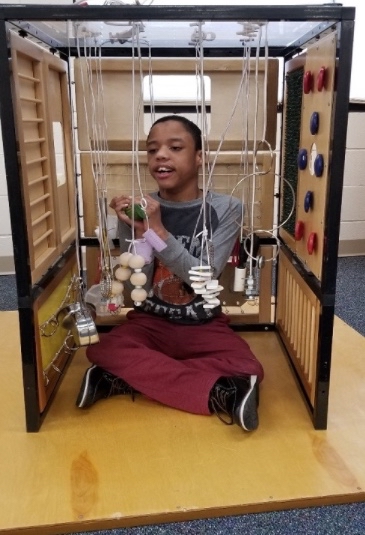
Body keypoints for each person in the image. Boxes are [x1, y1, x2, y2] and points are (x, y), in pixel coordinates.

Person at [76, 115, 264, 432]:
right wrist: (132, 226)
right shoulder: (141, 208)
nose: (161, 155)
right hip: (152, 323)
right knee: (103, 349)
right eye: (152, 150)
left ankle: (125, 379)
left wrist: (158, 229)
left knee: (249, 365)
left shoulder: (228, 208)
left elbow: (203, 279)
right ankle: (220, 391)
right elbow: (140, 281)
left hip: (204, 323)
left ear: (199, 156)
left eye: (175, 147)